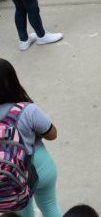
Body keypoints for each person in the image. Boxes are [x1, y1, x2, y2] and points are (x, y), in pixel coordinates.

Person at [0, 59, 62, 216]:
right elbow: (52, 135)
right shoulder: (28, 110)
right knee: (49, 205)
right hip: (40, 166)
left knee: (23, 211)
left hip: (10, 176)